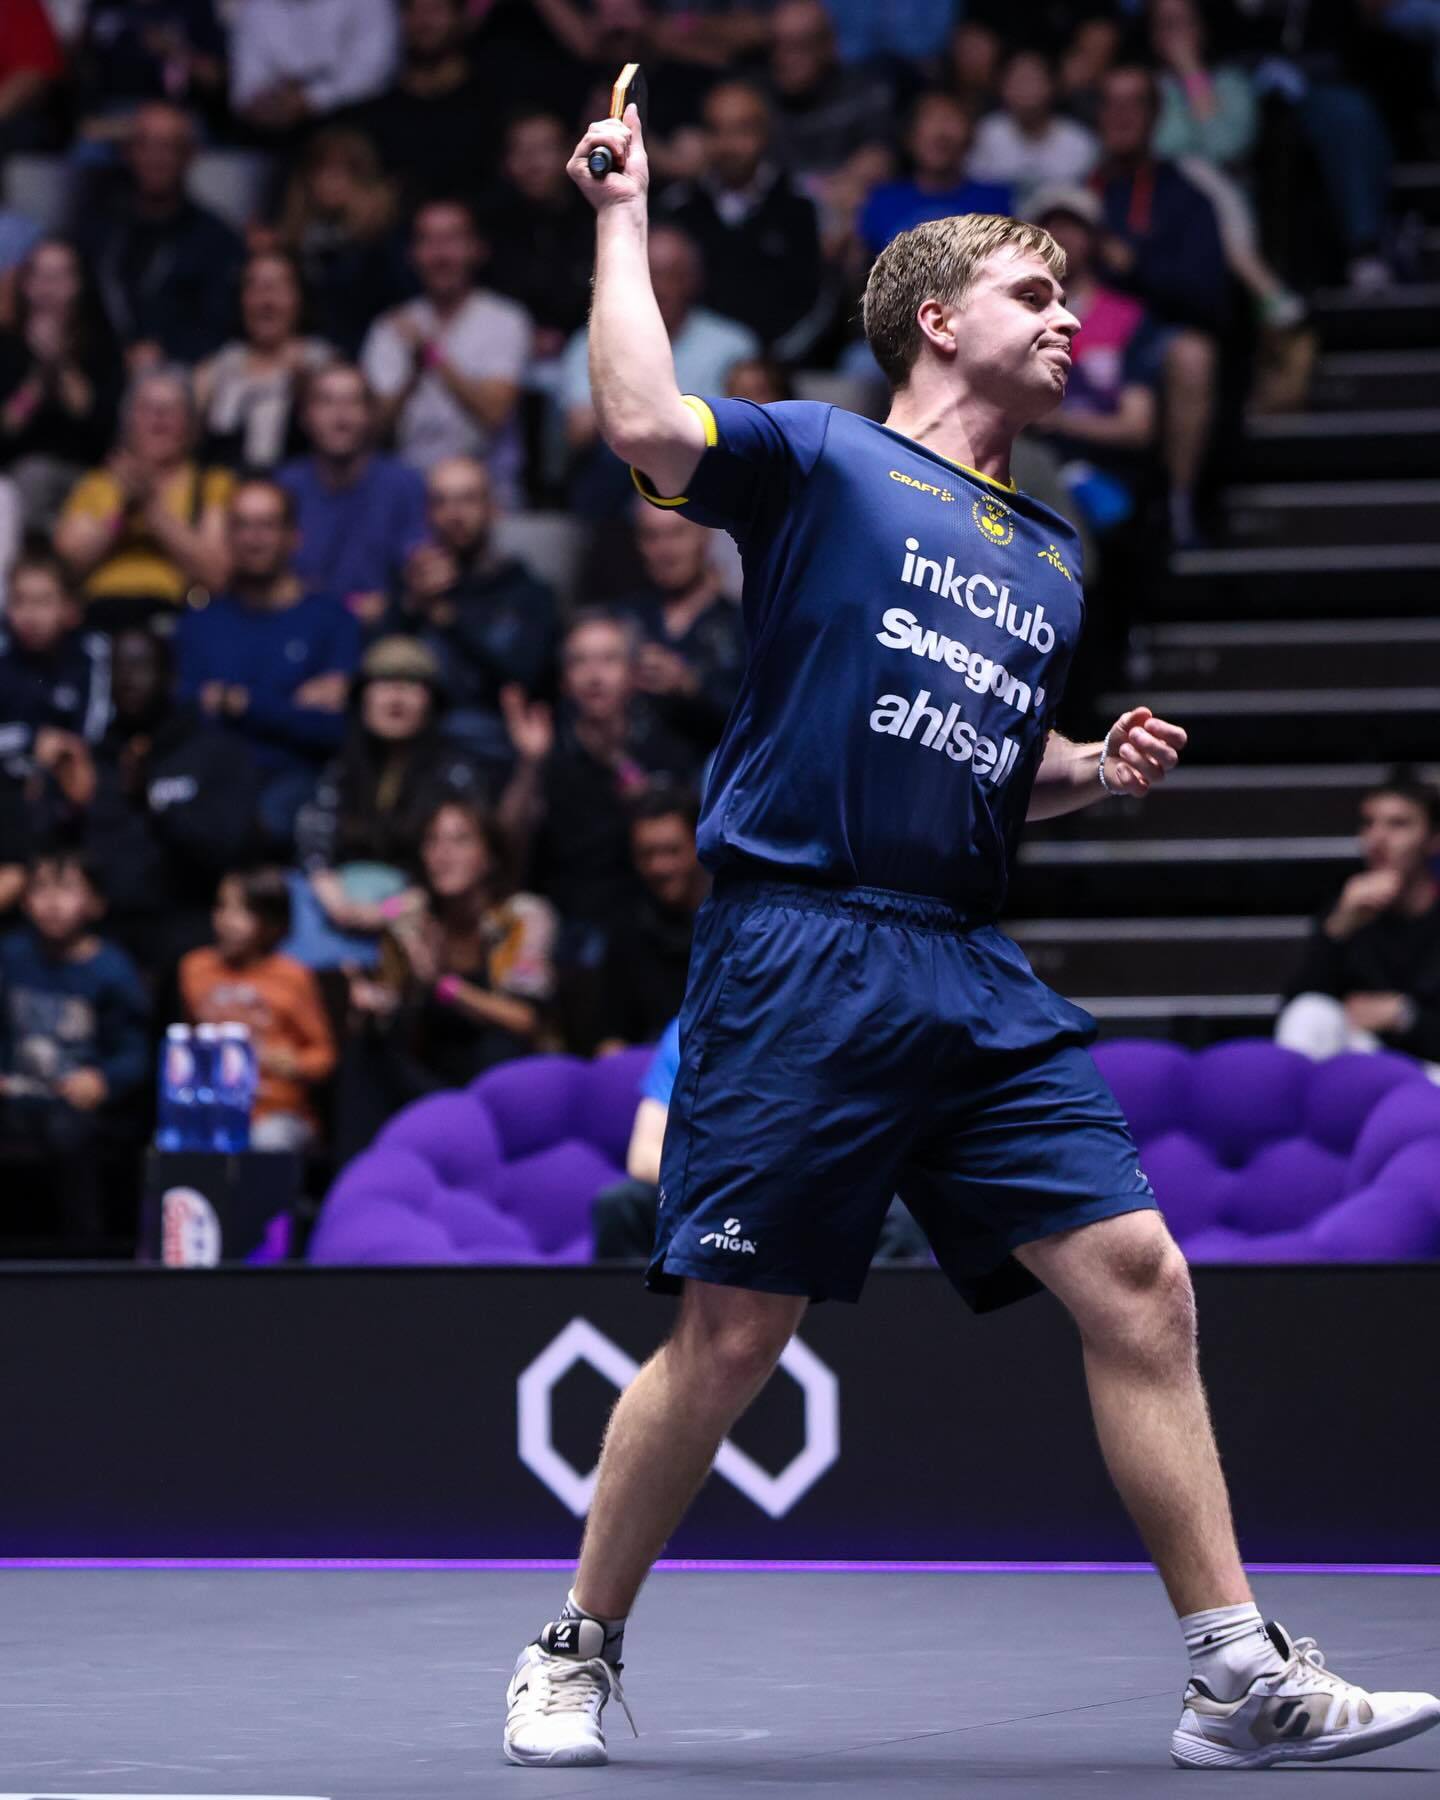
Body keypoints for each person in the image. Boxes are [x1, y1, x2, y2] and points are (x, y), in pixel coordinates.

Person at [499, 101, 1440, 1774]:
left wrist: (1088, 769)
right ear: (937, 319)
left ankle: (1233, 1674)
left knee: (1143, 1284)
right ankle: (574, 1645)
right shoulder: (821, 459)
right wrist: (623, 216)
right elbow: (641, 420)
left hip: (964, 959)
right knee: (735, 1334)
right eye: (1038, 295)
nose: (1074, 321)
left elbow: (993, 773)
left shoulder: (1056, 557)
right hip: (799, 944)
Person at [335, 798, 555, 1157]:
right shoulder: (412, 920)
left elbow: (525, 1020)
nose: (443, 854)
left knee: (497, 1045)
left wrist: (445, 986)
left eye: (460, 840)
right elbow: (394, 1008)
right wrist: (371, 1004)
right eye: (432, 841)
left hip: (496, 1077)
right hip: (430, 1078)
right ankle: (358, 1176)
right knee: (365, 1049)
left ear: (490, 857)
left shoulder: (522, 918)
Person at [173, 478, 360, 835]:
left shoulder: (332, 621)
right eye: (242, 525)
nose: (253, 538)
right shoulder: (199, 623)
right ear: (228, 537)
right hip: (212, 782)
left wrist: (238, 703)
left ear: (294, 536)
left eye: (267, 525)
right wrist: (288, 709)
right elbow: (187, 714)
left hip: (299, 784)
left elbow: (334, 730)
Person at [1091, 64, 1228, 548]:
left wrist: (1134, 266)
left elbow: (1208, 296)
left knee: (1193, 355)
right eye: (1111, 103)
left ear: (1155, 115)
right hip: (1077, 330)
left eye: (1135, 103)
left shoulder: (1186, 196)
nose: (1122, 115)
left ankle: (1179, 505)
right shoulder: (1077, 193)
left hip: (1152, 335)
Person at [506, 610, 697, 946]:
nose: (594, 676)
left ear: (634, 673)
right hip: (571, 927)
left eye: (609, 659)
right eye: (580, 662)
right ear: (564, 680)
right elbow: (507, 845)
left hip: (657, 925)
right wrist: (530, 766)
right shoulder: (546, 749)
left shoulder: (666, 746)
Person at [80, 625, 261, 978]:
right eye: (118, 668)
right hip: (106, 933)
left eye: (140, 666)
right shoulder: (94, 758)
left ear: (170, 676)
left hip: (189, 925)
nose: (128, 679)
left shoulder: (216, 752)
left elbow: (230, 848)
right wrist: (70, 808)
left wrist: (150, 803)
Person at [295, 635, 491, 940]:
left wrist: (387, 911)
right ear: (363, 697)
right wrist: (330, 892)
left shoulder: (454, 775)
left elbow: (465, 865)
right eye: (384, 684)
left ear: (432, 701)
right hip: (341, 904)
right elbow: (314, 836)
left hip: (422, 912)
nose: (396, 699)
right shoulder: (343, 768)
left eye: (411, 685)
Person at [0, 850, 149, 1244]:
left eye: (66, 889)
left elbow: (134, 1049)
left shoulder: (111, 970)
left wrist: (104, 1079)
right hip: (15, 1093)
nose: (51, 902)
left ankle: (81, 1249)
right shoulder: (10, 957)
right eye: (40, 889)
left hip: (73, 1100)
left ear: (95, 903)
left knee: (70, 1134)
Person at [558, 225, 758, 515]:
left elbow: (749, 433)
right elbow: (579, 433)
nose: (659, 288)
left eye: (671, 275)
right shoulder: (593, 342)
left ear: (693, 281)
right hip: (621, 476)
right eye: (647, 274)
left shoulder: (732, 345)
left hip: (707, 469)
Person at [1148, 0, 1305, 332]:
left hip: (1219, 200)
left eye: (1183, 23)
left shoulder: (1231, 85)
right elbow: (1153, 153)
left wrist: (1192, 74)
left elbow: (1225, 147)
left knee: (1200, 174)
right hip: (1158, 201)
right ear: (1152, 35)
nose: (1175, 35)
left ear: (1202, 29)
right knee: (1189, 170)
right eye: (1165, 24)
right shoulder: (1145, 89)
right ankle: (1265, 287)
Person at [361, 199, 533, 503]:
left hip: (487, 492)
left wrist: (433, 356)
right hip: (409, 489)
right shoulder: (390, 327)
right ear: (413, 254)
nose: (440, 255)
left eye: (452, 239)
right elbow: (373, 430)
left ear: (477, 249)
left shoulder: (506, 321)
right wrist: (412, 375)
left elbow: (494, 414)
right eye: (428, 241)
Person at [396, 455, 558, 768]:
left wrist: (450, 619)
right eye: (441, 502)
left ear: (493, 508)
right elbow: (371, 674)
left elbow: (525, 678)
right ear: (428, 514)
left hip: (498, 751)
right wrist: (409, 606)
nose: (454, 514)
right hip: (416, 752)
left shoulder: (527, 594)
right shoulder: (413, 590)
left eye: (467, 499)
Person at [655, 80, 829, 359]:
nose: (728, 145)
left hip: (779, 365)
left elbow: (819, 299)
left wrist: (769, 361)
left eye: (742, 130)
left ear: (765, 133)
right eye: (716, 130)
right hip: (691, 362)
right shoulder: (678, 209)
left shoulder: (799, 208)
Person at [1276, 780, 1440, 1068]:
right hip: (1364, 1060)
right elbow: (1298, 1008)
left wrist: (1404, 1014)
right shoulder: (1347, 908)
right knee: (1310, 1012)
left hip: (1430, 1071)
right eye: (1368, 823)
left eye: (1398, 824)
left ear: (1433, 839)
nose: (1378, 837)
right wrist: (1338, 928)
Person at [1024, 186, 1160, 533]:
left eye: (1074, 226)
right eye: (1049, 227)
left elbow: (1137, 428)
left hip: (1109, 468)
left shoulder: (1127, 317)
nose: (1060, 237)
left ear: (1095, 239)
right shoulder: (1013, 316)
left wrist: (1059, 422)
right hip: (1031, 463)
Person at [54, 366, 233, 625]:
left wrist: (151, 510)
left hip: (177, 616)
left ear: (192, 426)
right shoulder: (97, 485)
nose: (158, 417)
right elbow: (66, 569)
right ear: (126, 423)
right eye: (147, 408)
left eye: (171, 409)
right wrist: (122, 515)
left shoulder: (212, 485)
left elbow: (217, 574)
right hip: (101, 613)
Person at [71, 101, 243, 368]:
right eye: (145, 145)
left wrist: (167, 353)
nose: (155, 158)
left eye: (168, 147)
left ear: (190, 155)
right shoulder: (96, 230)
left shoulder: (218, 240)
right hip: (98, 372)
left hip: (185, 375)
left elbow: (219, 325)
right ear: (127, 153)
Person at [179, 867, 336, 1150]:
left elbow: (324, 1055)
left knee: (267, 1141)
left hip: (275, 1110)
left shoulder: (292, 976)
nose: (226, 921)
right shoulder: (195, 968)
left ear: (271, 922)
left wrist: (295, 1064)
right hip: (211, 1106)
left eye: (242, 911)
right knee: (174, 1139)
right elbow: (184, 1038)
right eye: (221, 907)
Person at [276, 362, 427, 623]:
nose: (340, 417)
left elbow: (418, 566)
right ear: (305, 416)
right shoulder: (283, 488)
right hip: (296, 626)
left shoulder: (405, 484)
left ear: (370, 415)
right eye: (326, 402)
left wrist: (396, 601)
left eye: (352, 403)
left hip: (384, 628)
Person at [0, 237, 120, 529]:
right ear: (25, 285)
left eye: (59, 277)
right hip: (13, 478)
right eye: (39, 276)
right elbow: (6, 427)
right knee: (30, 478)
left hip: (86, 473)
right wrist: (38, 380)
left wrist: (60, 364)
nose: (48, 289)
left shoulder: (101, 347)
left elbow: (100, 423)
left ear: (80, 285)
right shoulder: (6, 348)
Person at [617, 497, 743, 755]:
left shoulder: (740, 625)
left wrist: (690, 685)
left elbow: (757, 718)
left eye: (677, 534)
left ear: (704, 537)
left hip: (710, 768)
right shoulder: (623, 621)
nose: (665, 550)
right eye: (651, 536)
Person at [271, 128, 408, 360]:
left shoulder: (379, 244)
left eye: (343, 171)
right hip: (301, 355)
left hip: (362, 355)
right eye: (321, 170)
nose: (330, 180)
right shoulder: (293, 245)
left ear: (364, 179)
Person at [193, 251, 335, 474]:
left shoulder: (323, 366)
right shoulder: (217, 368)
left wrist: (307, 394)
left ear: (299, 298)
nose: (266, 302)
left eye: (278, 288)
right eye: (255, 288)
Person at [355, 0, 500, 211]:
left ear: (460, 18)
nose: (423, 21)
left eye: (435, 9)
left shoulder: (492, 101)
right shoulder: (378, 112)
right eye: (412, 10)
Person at [594, 786, 708, 1051]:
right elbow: (612, 1039)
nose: (659, 867)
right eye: (647, 854)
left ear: (699, 846)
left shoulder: (734, 926)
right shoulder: (625, 932)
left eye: (672, 851)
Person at [475, 109, 597, 352]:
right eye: (521, 151)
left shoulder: (597, 213)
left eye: (544, 149)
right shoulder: (489, 224)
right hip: (504, 349)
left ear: (570, 152)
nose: (532, 164)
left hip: (588, 345)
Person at [859, 91, 1012, 257]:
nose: (940, 133)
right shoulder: (882, 202)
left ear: (970, 137)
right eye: (929, 119)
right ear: (909, 137)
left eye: (950, 119)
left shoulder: (995, 201)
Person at [0, 551, 110, 769]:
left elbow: (94, 735)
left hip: (68, 774)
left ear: (71, 608)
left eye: (42, 602)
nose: (29, 615)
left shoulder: (91, 651)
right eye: (19, 600)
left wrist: (62, 749)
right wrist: (31, 739)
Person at [764, 0, 893, 181]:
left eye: (797, 46)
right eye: (776, 45)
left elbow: (878, 158)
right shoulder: (757, 98)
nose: (783, 58)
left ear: (827, 46)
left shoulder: (866, 94)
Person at [230, 0, 397, 139]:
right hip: (280, 123)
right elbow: (245, 87)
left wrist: (311, 98)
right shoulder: (256, 9)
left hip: (358, 115)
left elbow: (373, 71)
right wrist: (260, 104)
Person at [968, 48, 1100, 206]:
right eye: (1017, 80)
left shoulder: (1080, 143)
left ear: (1053, 85)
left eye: (1033, 79)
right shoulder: (985, 134)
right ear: (1002, 87)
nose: (1025, 88)